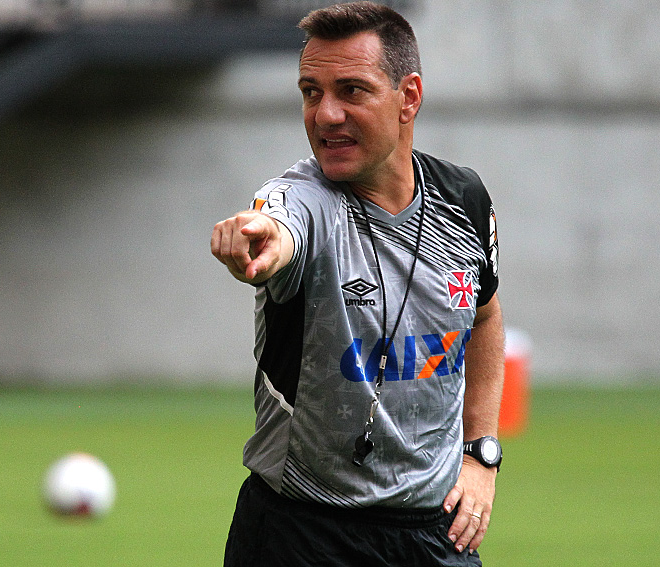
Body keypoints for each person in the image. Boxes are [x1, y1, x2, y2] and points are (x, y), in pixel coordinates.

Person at [210, 2, 504, 566]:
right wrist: (258, 238)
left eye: (351, 91)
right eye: (311, 92)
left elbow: (485, 318)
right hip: (302, 534)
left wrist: (481, 454)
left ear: (408, 97)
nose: (325, 114)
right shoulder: (302, 200)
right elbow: (280, 228)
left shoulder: (464, 200)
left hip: (435, 535)